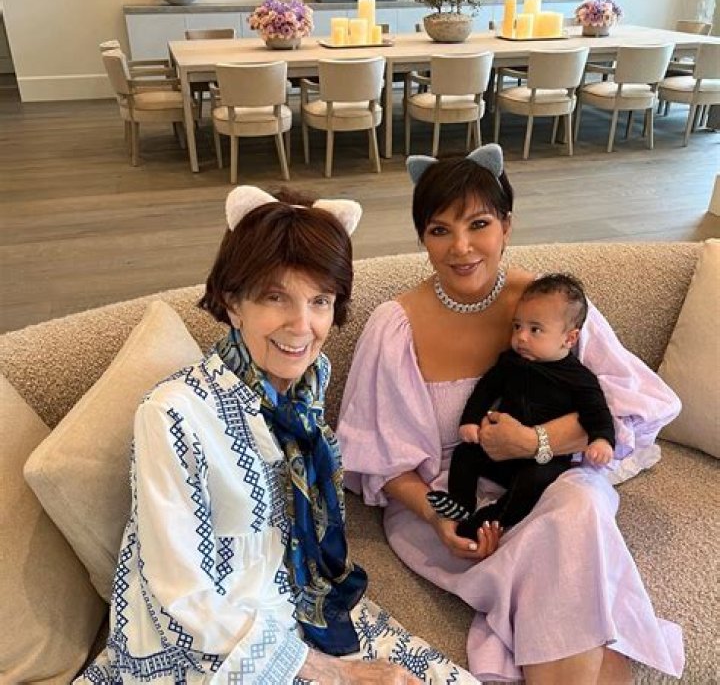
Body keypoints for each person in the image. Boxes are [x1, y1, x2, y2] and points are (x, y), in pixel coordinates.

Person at [77, 186, 477, 685]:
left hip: (303, 610)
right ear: (233, 302)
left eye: (320, 300)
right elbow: (177, 598)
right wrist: (334, 674)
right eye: (275, 297)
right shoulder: (174, 414)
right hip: (210, 651)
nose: (302, 326)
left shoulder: (308, 386)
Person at [336, 145, 685, 683]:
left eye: (478, 224)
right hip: (451, 496)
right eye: (440, 230)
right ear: (423, 238)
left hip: (551, 477)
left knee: (578, 509)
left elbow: (629, 402)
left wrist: (535, 442)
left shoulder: (551, 305)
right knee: (575, 562)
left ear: (506, 225)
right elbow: (380, 459)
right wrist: (438, 515)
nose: (461, 247)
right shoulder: (394, 325)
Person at [428, 272, 615, 538]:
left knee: (534, 482)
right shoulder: (510, 362)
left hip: (544, 460)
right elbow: (485, 390)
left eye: (535, 329)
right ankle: (462, 505)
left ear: (569, 338)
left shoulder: (579, 379)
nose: (521, 337)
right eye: (517, 326)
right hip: (500, 452)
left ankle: (491, 519)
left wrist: (602, 441)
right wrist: (470, 420)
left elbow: (597, 413)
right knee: (465, 454)